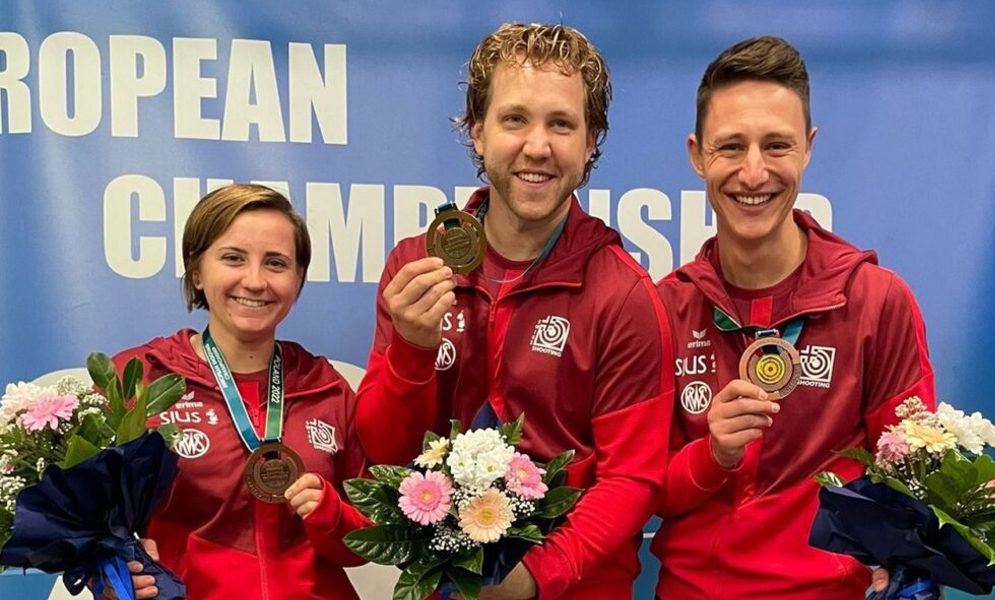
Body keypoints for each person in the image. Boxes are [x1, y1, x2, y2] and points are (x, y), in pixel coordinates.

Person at [354, 23, 673, 600]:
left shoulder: (624, 294)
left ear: (591, 141)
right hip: (443, 585)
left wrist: (535, 578)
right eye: (515, 119)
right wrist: (411, 350)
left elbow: (632, 477)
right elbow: (384, 453)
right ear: (478, 131)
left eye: (562, 124)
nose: (537, 146)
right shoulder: (416, 265)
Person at [651, 36, 936, 599]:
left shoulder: (876, 301)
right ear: (697, 154)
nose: (754, 172)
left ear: (808, 148)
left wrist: (901, 557)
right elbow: (642, 491)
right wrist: (714, 454)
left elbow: (913, 472)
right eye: (731, 146)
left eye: (776, 145)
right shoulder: (664, 308)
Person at [116, 184, 369, 599]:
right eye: (233, 258)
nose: (254, 281)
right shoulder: (140, 378)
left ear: (298, 280)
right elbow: (84, 520)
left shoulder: (326, 388)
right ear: (197, 271)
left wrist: (330, 513)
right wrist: (108, 571)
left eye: (276, 263)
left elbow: (365, 542)